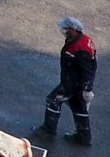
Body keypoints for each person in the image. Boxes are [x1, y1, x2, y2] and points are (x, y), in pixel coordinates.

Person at [41, 16, 96, 145]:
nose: (64, 31)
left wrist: (87, 89)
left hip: (73, 83)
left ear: (74, 30)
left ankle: (48, 130)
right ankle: (83, 137)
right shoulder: (82, 40)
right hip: (75, 83)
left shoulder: (80, 48)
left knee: (53, 100)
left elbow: (87, 70)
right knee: (78, 107)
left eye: (67, 29)